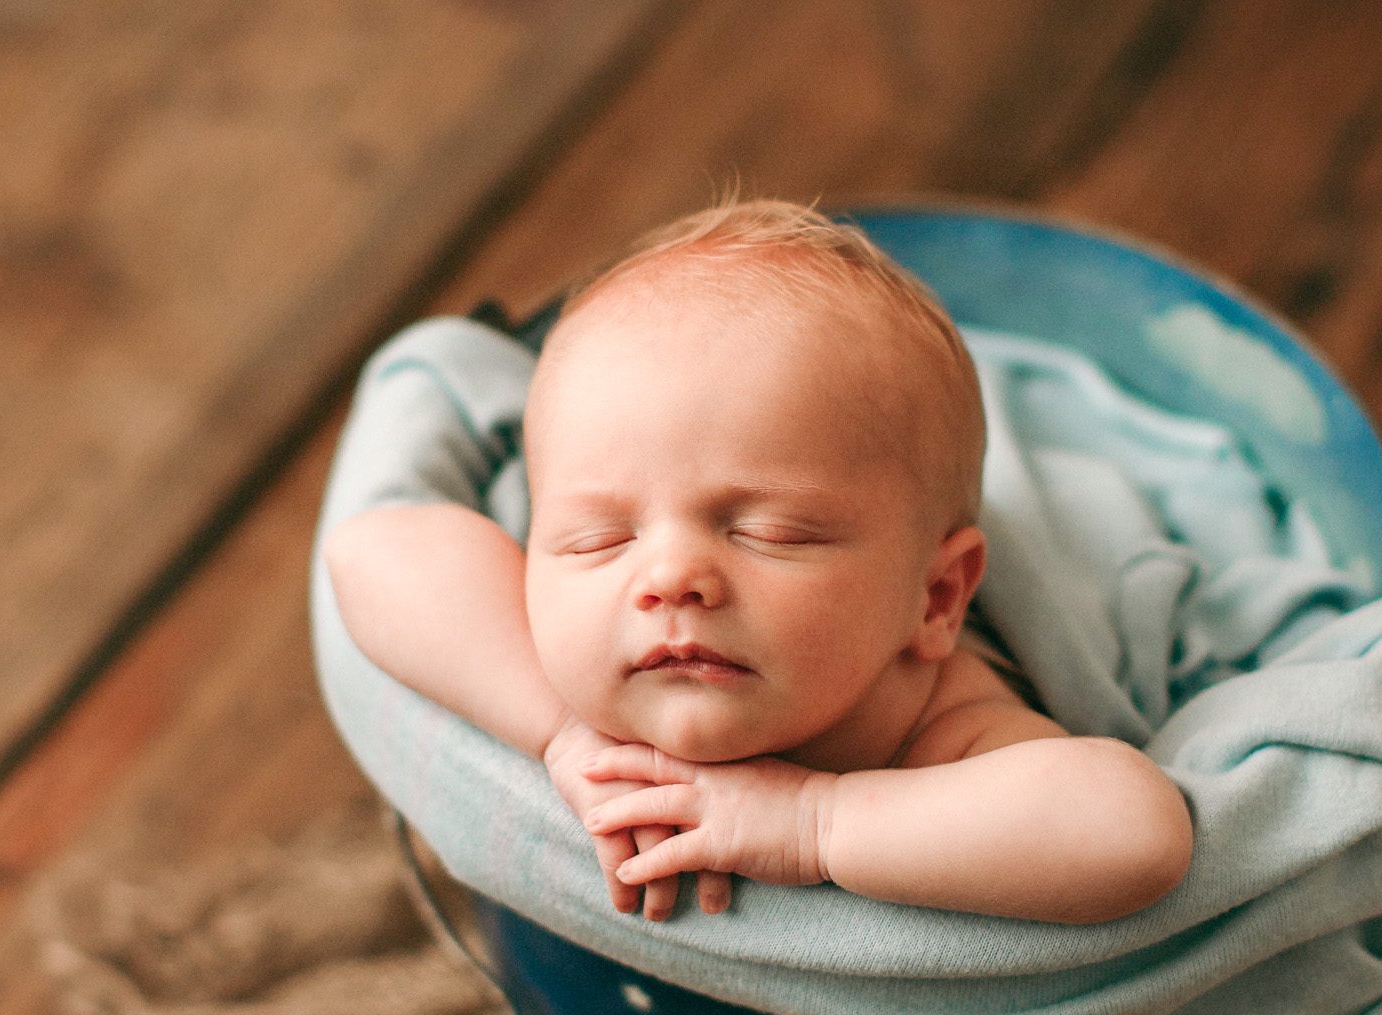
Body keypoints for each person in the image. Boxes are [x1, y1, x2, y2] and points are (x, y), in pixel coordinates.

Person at [323, 198, 1192, 924]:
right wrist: (563, 734)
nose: (669, 578)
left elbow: (1133, 831)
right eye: (600, 538)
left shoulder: (930, 721)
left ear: (933, 599)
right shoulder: (573, 672)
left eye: (768, 532)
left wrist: (814, 821)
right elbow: (373, 550)